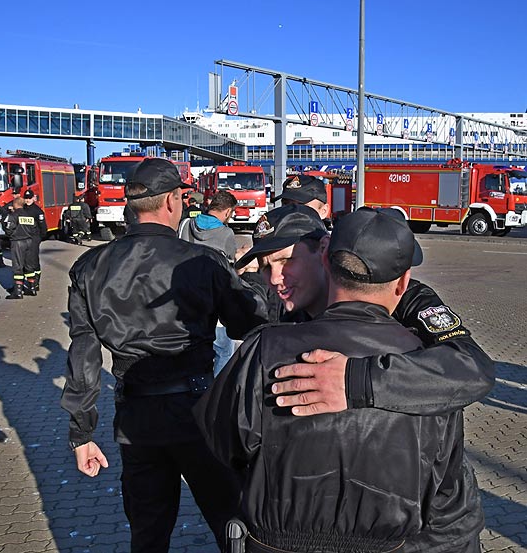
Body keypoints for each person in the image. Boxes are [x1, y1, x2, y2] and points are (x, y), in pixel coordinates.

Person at [194, 208, 486, 553]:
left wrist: (354, 381)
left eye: (285, 260)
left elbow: (470, 367)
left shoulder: (405, 299)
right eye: (265, 265)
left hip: (430, 534)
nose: (275, 278)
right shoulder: (283, 314)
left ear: (324, 252)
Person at [60, 158, 267, 553]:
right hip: (199, 412)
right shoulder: (201, 261)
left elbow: (83, 356)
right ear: (173, 201)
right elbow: (247, 322)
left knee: (148, 533)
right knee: (234, 525)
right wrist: (254, 279)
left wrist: (81, 434)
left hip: (136, 419)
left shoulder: (89, 266)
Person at [178, 190, 238, 375]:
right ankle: (215, 395)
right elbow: (231, 267)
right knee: (224, 351)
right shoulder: (226, 233)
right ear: (227, 212)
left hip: (184, 299)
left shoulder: (186, 224)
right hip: (214, 302)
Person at [3, 196, 40, 299]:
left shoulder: (14, 215)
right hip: (29, 241)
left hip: (18, 242)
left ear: (15, 204)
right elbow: (34, 229)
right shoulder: (29, 215)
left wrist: (11, 234)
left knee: (18, 266)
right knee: (29, 265)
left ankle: (18, 291)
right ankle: (32, 288)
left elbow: (8, 229)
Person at [22, 189, 47, 291]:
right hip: (24, 238)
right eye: (26, 198)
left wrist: (39, 238)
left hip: (33, 238)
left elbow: (43, 227)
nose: (27, 200)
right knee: (23, 261)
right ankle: (22, 284)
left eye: (29, 198)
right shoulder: (21, 209)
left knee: (33, 260)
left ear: (33, 198)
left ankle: (36, 282)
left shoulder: (37, 211)